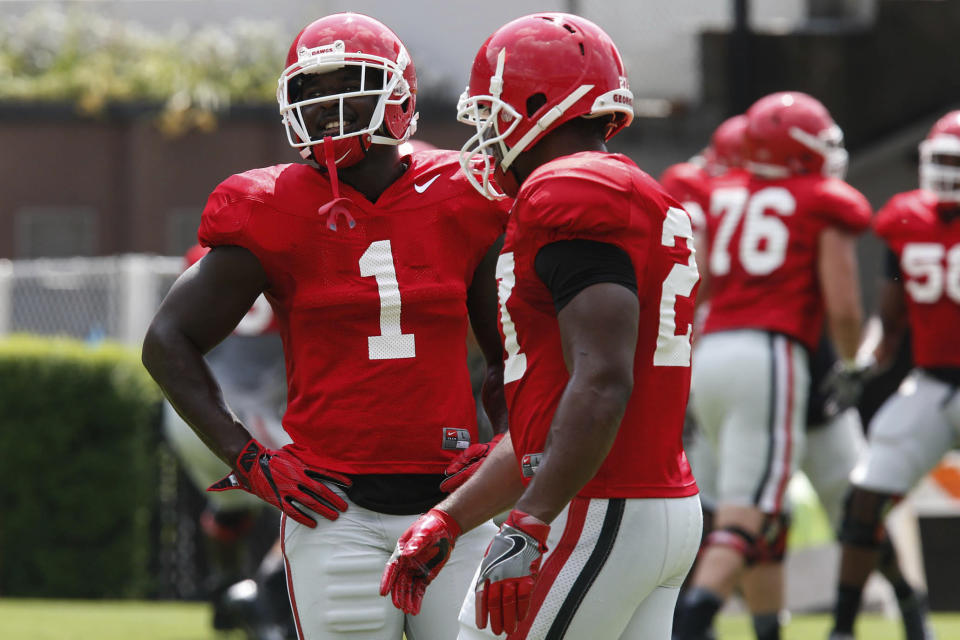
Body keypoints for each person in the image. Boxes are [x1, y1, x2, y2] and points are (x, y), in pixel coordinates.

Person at [142, 12, 510, 640]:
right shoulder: (268, 207)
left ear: (398, 95)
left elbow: (509, 353)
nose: (325, 105)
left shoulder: (464, 193)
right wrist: (248, 456)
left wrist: (502, 446)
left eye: (347, 82)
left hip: (456, 503)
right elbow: (166, 342)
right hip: (336, 510)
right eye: (310, 91)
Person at [379, 13, 702, 639]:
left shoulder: (567, 187)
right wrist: (450, 518)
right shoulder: (638, 192)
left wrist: (530, 521)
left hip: (595, 506)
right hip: (646, 504)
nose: (485, 134)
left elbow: (603, 382)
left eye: (490, 112)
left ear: (531, 102)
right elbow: (547, 423)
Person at [672, 92, 872, 640]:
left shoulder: (724, 194)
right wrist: (853, 363)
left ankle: (748, 627)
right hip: (769, 354)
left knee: (740, 509)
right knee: (749, 513)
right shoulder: (818, 199)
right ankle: (689, 626)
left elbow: (702, 289)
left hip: (710, 352)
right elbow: (846, 307)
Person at [825, 111, 960, 640]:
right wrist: (864, 364)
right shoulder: (907, 218)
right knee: (864, 498)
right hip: (929, 384)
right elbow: (894, 319)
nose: (947, 172)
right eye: (943, 160)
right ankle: (843, 628)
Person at [162, 244, 294, 640]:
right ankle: (264, 592)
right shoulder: (295, 246)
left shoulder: (202, 254)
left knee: (230, 504)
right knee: (321, 499)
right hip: (248, 413)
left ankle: (224, 588)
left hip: (190, 410)